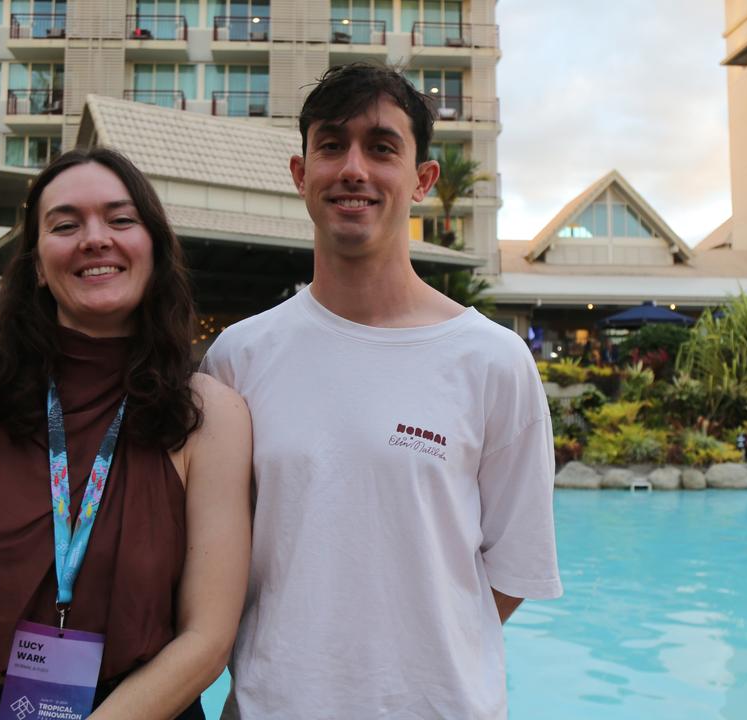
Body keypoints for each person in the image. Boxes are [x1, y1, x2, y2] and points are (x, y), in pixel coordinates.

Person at [201, 63, 563, 719]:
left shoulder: (493, 362)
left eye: (382, 146)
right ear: (299, 173)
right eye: (332, 145)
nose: (354, 169)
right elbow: (213, 562)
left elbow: (512, 573)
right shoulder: (238, 358)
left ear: (423, 179)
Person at [0, 148, 252, 720]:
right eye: (64, 224)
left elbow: (207, 638)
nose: (94, 238)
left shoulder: (210, 414)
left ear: (153, 245)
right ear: (35, 261)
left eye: (121, 219)